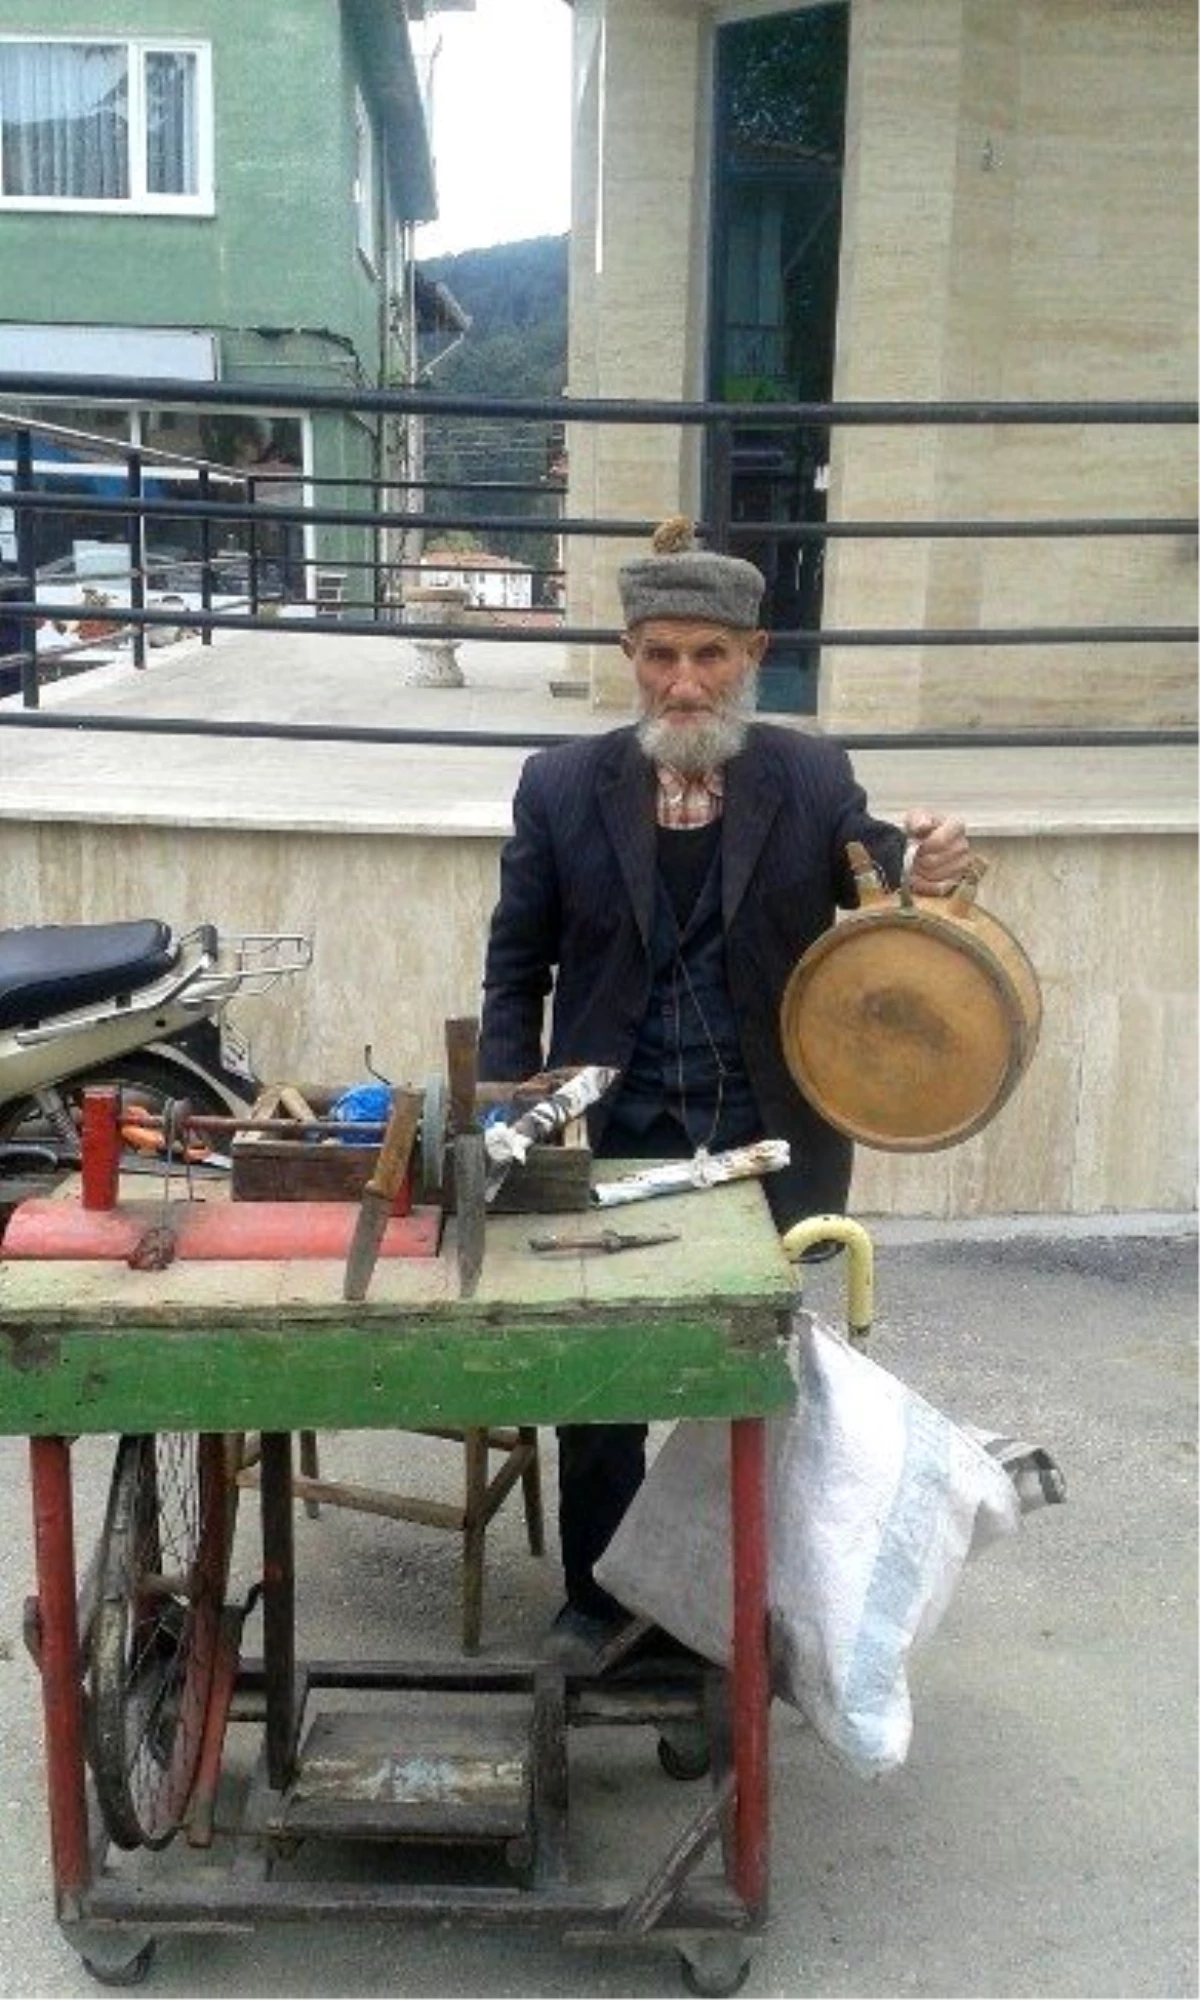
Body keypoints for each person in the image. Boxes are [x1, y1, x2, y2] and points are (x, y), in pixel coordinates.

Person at [478, 519, 970, 1661]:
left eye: (709, 655)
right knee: (600, 1369)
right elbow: (519, 960)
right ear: (629, 652)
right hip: (613, 1127)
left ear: (753, 652)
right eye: (660, 655)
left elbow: (876, 867)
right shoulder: (559, 786)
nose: (684, 681)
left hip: (771, 1128)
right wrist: (504, 1104)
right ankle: (602, 1593)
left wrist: (926, 859)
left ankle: (739, 1589)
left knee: (756, 1371)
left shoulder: (809, 774)